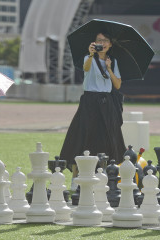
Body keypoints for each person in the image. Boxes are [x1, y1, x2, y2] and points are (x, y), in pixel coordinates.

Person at [60, 32, 126, 190]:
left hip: (107, 103)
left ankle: (106, 177)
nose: (101, 43)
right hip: (89, 102)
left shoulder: (113, 61)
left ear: (110, 44)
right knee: (82, 137)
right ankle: (75, 179)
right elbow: (86, 68)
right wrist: (90, 55)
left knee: (108, 140)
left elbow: (117, 85)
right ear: (94, 43)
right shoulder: (87, 58)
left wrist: (109, 68)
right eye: (98, 40)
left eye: (105, 41)